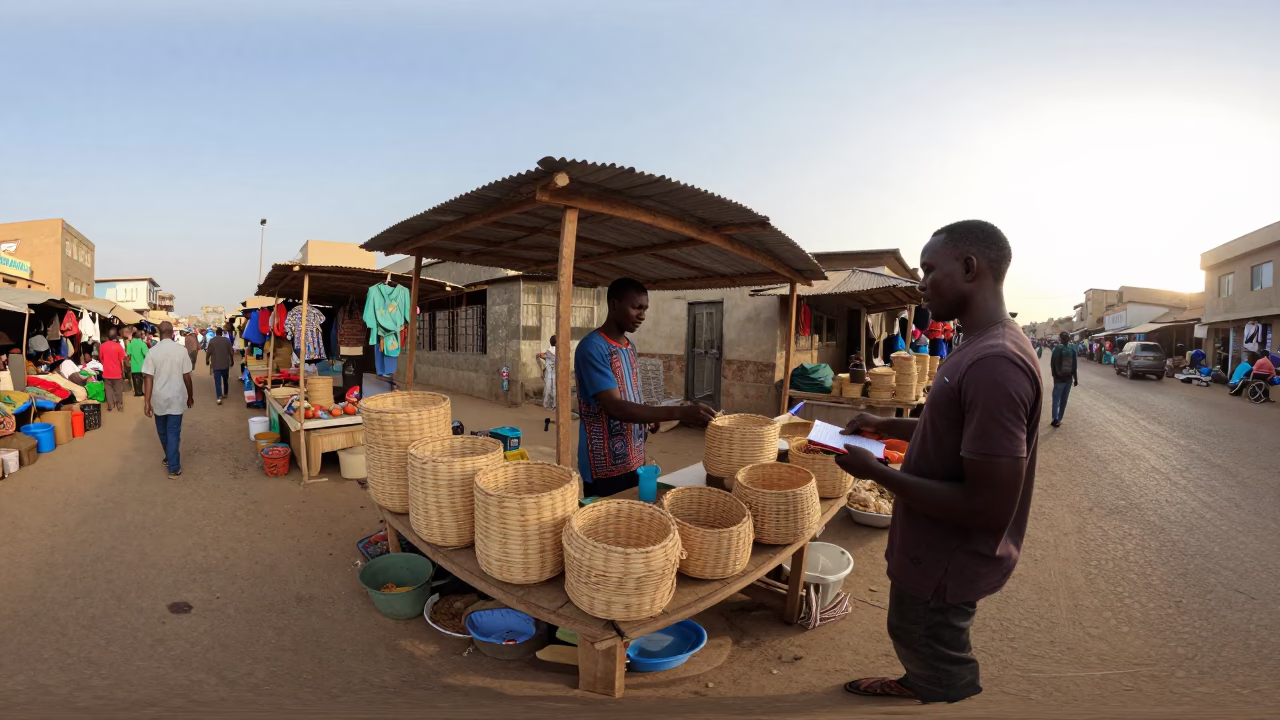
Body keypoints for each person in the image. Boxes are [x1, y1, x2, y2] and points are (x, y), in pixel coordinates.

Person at [835, 220, 1040, 704]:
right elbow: (949, 431)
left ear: (969, 268)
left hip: (947, 557)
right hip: (932, 546)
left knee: (930, 641)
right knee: (914, 630)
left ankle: (939, 692)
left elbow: (986, 508)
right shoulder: (978, 344)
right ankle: (919, 681)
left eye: (929, 270)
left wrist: (876, 472)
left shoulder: (995, 363)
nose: (921, 284)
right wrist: (885, 425)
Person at [575, 278, 716, 497]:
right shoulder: (593, 347)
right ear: (614, 304)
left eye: (645, 309)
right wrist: (681, 412)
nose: (642, 315)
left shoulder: (629, 347)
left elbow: (629, 394)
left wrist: (648, 415)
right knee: (609, 517)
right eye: (636, 307)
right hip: (605, 466)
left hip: (634, 457)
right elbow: (615, 407)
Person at [142, 321, 194, 479]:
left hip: (159, 399)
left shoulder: (152, 352)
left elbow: (148, 378)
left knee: (163, 432)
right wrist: (190, 396)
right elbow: (187, 377)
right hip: (177, 398)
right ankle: (173, 466)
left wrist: (147, 402)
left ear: (159, 333)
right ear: (172, 333)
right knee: (173, 432)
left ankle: (171, 461)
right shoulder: (181, 351)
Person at [1048, 331, 1078, 427]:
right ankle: (1058, 418)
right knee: (1063, 400)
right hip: (1068, 378)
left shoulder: (1057, 349)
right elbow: (1074, 366)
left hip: (1060, 379)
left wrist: (1055, 376)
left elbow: (1052, 364)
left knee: (1057, 399)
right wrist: (1075, 378)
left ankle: (1056, 419)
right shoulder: (1072, 349)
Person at [99, 327, 128, 411]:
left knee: (108, 390)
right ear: (116, 337)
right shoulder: (118, 346)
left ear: (108, 336)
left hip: (106, 373)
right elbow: (122, 360)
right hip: (117, 373)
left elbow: (101, 359)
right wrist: (123, 372)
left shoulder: (102, 346)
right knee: (118, 391)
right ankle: (119, 406)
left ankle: (110, 405)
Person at [206, 327, 235, 405]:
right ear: (222, 333)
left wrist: (207, 360)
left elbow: (209, 352)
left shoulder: (212, 341)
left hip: (216, 364)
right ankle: (225, 393)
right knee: (225, 379)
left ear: (216, 333)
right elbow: (231, 352)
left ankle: (219, 397)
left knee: (217, 381)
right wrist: (232, 361)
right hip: (225, 364)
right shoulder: (227, 340)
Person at [127, 328, 149, 397]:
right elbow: (146, 354)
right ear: (140, 336)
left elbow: (128, 353)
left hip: (133, 365)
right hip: (141, 365)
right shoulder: (142, 343)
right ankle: (140, 391)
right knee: (140, 379)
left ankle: (136, 392)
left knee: (134, 379)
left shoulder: (130, 344)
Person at [537, 335, 557, 409]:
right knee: (553, 388)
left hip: (550, 372)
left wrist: (542, 355)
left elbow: (547, 357)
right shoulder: (556, 350)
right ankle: (553, 404)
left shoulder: (550, 351)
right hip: (553, 372)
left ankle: (547, 404)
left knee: (548, 388)